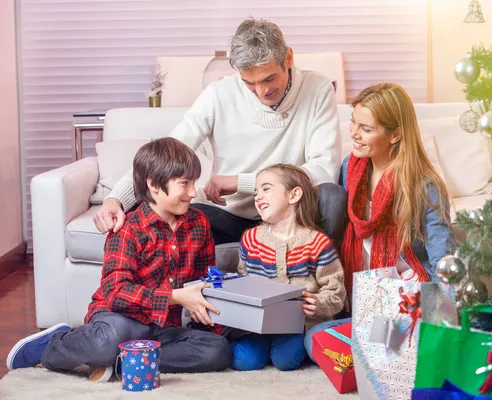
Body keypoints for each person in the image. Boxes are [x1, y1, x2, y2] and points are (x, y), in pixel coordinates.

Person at [93, 18, 348, 247]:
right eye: (250, 83)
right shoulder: (219, 94)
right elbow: (165, 155)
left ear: (289, 58)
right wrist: (115, 199)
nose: (261, 92)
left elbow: (324, 169)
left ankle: (318, 281)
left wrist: (243, 182)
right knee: (165, 211)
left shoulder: (317, 88)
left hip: (292, 218)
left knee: (332, 196)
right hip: (229, 217)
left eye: (269, 79)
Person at [7, 138, 231, 380]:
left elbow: (202, 281)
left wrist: (215, 323)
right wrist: (175, 297)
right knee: (107, 341)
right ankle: (54, 344)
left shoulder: (198, 223)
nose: (193, 193)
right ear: (154, 184)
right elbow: (116, 292)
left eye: (194, 183)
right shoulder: (128, 228)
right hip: (120, 320)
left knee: (217, 350)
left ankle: (123, 362)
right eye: (184, 184)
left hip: (165, 328)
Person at [304, 82, 455, 358]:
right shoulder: (350, 167)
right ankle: (383, 350)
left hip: (404, 292)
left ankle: (394, 349)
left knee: (365, 345)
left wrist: (441, 320)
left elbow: (442, 262)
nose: (354, 133)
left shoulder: (425, 184)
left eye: (366, 128)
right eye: (353, 122)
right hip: (361, 290)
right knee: (314, 342)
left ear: (395, 134)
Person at [231, 164, 346, 371]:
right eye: (256, 192)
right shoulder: (251, 239)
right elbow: (243, 279)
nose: (257, 196)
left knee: (286, 361)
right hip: (259, 325)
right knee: (245, 361)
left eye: (266, 189)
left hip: (298, 324)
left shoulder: (317, 242)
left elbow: (336, 293)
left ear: (294, 195)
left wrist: (319, 304)